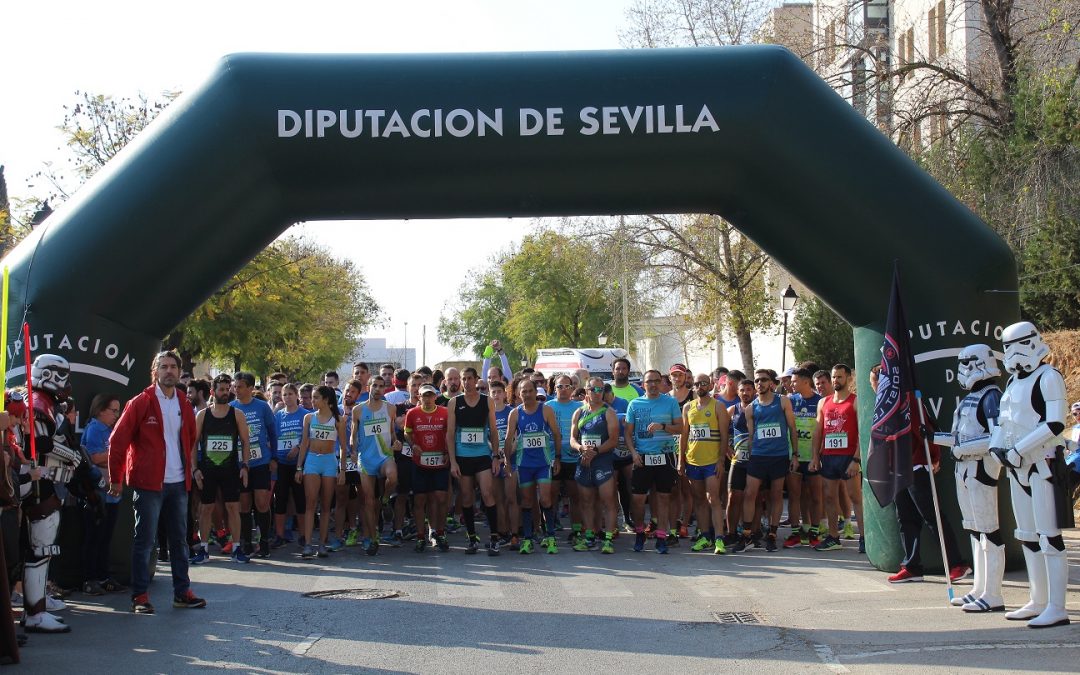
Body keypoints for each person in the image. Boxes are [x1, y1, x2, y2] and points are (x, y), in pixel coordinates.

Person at [109, 350, 205, 614]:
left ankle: (182, 592)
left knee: (180, 541)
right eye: (164, 366)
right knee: (145, 541)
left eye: (173, 366)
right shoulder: (141, 402)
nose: (169, 371)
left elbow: (190, 436)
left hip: (178, 483)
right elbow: (117, 441)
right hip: (149, 483)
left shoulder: (184, 402)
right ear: (155, 372)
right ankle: (139, 596)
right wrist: (116, 478)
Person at [989, 321, 1071, 628]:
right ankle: (1038, 599)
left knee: (1049, 536)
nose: (1011, 352)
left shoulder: (1049, 377)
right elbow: (1002, 421)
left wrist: (1019, 449)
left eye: (1017, 344)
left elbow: (1054, 424)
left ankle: (1057, 605)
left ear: (1033, 341)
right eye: (1007, 347)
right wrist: (999, 448)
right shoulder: (1011, 383)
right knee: (1027, 536)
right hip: (1017, 467)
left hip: (1043, 465)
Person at [932, 346, 1003, 606]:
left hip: (981, 469)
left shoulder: (992, 396)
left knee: (989, 531)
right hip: (964, 470)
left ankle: (993, 593)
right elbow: (959, 437)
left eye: (967, 363)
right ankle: (979, 588)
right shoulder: (969, 399)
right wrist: (934, 437)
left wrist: (963, 447)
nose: (963, 369)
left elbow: (997, 436)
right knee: (974, 531)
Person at [190, 375, 251, 565]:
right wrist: (195, 470)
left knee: (233, 507)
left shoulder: (237, 414)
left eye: (227, 389)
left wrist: (245, 466)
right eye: (221, 389)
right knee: (206, 508)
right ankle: (204, 549)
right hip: (208, 469)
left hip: (230, 469)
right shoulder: (202, 415)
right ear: (212, 392)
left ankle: (236, 548)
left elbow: (246, 442)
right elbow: (193, 445)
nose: (225, 393)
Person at [739, 369, 798, 552]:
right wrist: (750, 455)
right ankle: (747, 534)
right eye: (757, 381)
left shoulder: (782, 401)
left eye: (763, 380)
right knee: (750, 493)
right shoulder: (750, 408)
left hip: (779, 456)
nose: (760, 383)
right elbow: (750, 435)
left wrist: (795, 454)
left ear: (771, 383)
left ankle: (772, 535)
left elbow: (792, 429)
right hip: (758, 456)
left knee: (776, 494)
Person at [625, 369, 683, 554]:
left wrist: (663, 427)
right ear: (643, 384)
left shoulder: (671, 402)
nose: (653, 384)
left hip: (665, 456)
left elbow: (680, 428)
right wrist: (633, 453)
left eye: (656, 381)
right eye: (649, 381)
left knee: (664, 497)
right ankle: (640, 532)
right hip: (642, 457)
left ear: (662, 383)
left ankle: (661, 536)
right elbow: (627, 432)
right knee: (638, 500)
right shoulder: (634, 404)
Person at [446, 368, 501, 555]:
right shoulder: (454, 402)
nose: (467, 382)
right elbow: (450, 433)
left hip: (482, 455)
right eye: (464, 379)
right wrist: (453, 461)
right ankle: (472, 538)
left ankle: (494, 538)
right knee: (467, 497)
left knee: (487, 494)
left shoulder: (487, 401)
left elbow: (493, 431)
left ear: (476, 380)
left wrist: (495, 456)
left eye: (470, 378)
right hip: (463, 456)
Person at [503, 378, 562, 554]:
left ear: (535, 392)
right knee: (527, 501)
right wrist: (507, 460)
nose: (527, 394)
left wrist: (557, 458)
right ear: (518, 394)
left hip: (543, 463)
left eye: (530, 391)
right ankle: (527, 539)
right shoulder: (515, 413)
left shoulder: (546, 410)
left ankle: (550, 536)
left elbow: (557, 435)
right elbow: (508, 439)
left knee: (545, 499)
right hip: (524, 465)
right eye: (523, 391)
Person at [810, 364, 863, 553]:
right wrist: (814, 456)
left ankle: (864, 539)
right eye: (833, 377)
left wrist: (856, 459)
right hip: (829, 457)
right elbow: (818, 432)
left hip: (848, 456)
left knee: (855, 497)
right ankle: (833, 537)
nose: (835, 380)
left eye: (839, 377)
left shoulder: (855, 402)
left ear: (848, 378)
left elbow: (862, 434)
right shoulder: (823, 403)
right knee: (830, 497)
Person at [80, 393, 126, 594]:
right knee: (94, 538)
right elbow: (93, 457)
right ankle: (90, 578)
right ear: (100, 410)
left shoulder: (110, 429)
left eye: (118, 411)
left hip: (112, 494)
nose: (116, 415)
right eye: (113, 410)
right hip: (97, 494)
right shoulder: (95, 428)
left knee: (106, 538)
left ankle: (103, 575)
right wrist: (117, 454)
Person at [295, 385, 348, 558]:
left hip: (329, 462)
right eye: (312, 397)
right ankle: (308, 544)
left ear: (326, 399)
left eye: (316, 397)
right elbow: (304, 443)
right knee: (310, 503)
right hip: (312, 460)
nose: (312, 400)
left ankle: (322, 544)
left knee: (326, 506)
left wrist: (343, 470)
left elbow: (342, 447)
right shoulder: (309, 418)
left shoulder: (338, 420)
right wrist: (299, 467)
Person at [680, 373, 731, 554]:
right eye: (696, 384)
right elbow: (684, 435)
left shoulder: (718, 406)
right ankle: (705, 536)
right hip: (693, 460)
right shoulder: (688, 407)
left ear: (710, 386)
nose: (699, 386)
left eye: (703, 383)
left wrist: (720, 461)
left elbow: (724, 436)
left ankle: (719, 538)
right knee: (699, 500)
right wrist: (681, 461)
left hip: (711, 461)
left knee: (714, 499)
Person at [570, 377, 620, 553]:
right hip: (584, 461)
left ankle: (608, 540)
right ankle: (589, 537)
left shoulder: (609, 412)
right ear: (587, 390)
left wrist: (596, 451)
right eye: (594, 390)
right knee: (586, 501)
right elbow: (572, 439)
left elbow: (613, 440)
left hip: (602, 461)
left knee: (608, 501)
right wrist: (581, 448)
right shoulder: (579, 412)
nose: (597, 393)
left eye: (601, 390)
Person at [230, 373, 277, 558]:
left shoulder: (262, 407)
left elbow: (272, 433)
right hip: (240, 464)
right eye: (235, 386)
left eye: (240, 386)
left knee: (262, 502)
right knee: (244, 504)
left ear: (250, 388)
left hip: (261, 462)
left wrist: (273, 457)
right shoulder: (231, 408)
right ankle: (246, 542)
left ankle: (264, 541)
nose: (236, 390)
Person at [352, 376, 400, 556]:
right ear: (368, 387)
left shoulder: (390, 408)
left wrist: (397, 443)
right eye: (375, 386)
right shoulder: (358, 410)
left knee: (393, 477)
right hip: (366, 459)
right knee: (369, 502)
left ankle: (386, 498)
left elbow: (393, 433)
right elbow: (353, 434)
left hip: (384, 456)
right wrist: (353, 450)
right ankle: (373, 538)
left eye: (381, 386)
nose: (378, 389)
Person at [404, 384, 451, 552]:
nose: (428, 399)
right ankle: (420, 536)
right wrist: (413, 444)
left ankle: (440, 532)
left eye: (430, 395)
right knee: (420, 500)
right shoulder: (412, 413)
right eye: (424, 396)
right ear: (419, 397)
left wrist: (447, 452)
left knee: (441, 498)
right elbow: (407, 432)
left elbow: (450, 434)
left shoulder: (444, 413)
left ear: (435, 397)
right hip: (420, 462)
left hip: (440, 461)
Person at [784, 368, 824, 549]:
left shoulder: (820, 401)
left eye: (794, 381)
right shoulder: (791, 401)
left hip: (813, 457)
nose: (791, 384)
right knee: (794, 496)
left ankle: (814, 532)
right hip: (795, 457)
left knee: (816, 496)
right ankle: (795, 534)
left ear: (806, 382)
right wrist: (793, 455)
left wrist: (818, 455)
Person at [547, 374, 583, 545]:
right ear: (554, 388)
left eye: (567, 386)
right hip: (552, 458)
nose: (563, 389)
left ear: (572, 388)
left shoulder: (580, 406)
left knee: (575, 495)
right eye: (559, 386)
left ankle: (576, 530)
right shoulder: (547, 406)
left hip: (573, 458)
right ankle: (550, 529)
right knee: (551, 495)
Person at [271, 383, 307, 548]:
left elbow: (310, 437)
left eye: (290, 394)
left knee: (300, 500)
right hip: (282, 463)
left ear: (296, 396)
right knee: (281, 500)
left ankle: (303, 535)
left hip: (299, 463)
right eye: (284, 395)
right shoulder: (278, 416)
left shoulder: (305, 415)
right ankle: (279, 535)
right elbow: (273, 437)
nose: (287, 397)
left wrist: (299, 447)